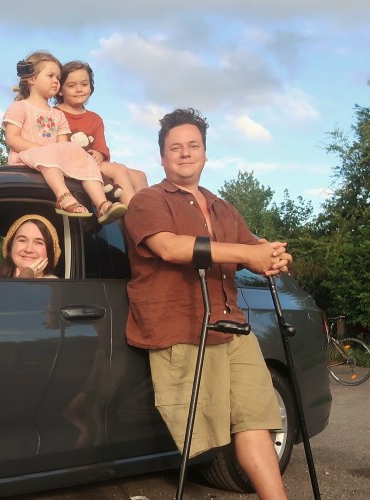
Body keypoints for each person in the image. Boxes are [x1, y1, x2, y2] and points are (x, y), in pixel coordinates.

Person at [123, 108, 292, 499]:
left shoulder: (222, 206)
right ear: (162, 157)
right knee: (201, 429)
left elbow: (254, 249)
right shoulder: (148, 201)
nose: (185, 153)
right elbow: (168, 247)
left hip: (232, 327)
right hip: (181, 328)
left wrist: (273, 256)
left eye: (193, 145)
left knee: (255, 420)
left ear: (205, 153)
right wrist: (247, 254)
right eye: (175, 147)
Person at [3, 51, 125, 224]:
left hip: (51, 160)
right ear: (31, 79)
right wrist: (45, 150)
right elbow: (12, 139)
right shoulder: (20, 107)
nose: (56, 81)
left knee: (82, 157)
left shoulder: (58, 115)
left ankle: (102, 204)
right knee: (50, 158)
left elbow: (63, 147)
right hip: (25, 159)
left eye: (58, 78)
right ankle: (64, 197)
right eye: (51, 75)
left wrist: (78, 156)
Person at [55, 60, 148, 206]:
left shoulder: (95, 118)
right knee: (119, 170)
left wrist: (99, 153)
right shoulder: (55, 114)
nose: (79, 89)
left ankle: (148, 215)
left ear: (90, 87)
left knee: (139, 176)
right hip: (71, 163)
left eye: (84, 84)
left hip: (95, 162)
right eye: (71, 86)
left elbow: (101, 147)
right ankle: (134, 216)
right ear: (60, 90)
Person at [0, 214, 61, 278]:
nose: (28, 249)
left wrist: (25, 277)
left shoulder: (56, 287)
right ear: (10, 245)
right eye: (22, 240)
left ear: (50, 250)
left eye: (39, 243)